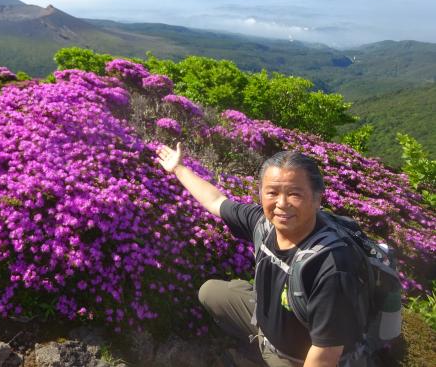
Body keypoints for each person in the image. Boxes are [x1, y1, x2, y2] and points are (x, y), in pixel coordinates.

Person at [155, 143, 366, 367]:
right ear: (261, 194)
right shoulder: (262, 223)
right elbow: (215, 201)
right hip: (265, 324)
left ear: (316, 199)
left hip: (295, 357)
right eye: (272, 193)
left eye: (295, 194)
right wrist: (178, 168)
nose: (282, 204)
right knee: (210, 292)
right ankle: (258, 340)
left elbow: (324, 356)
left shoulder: (332, 266)